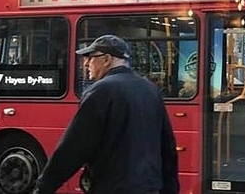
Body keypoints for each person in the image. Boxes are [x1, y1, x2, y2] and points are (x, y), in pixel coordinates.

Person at [34, 35, 179, 194]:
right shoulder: (150, 89)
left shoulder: (100, 91)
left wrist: (43, 187)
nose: (86, 63)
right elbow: (167, 146)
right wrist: (170, 188)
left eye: (91, 57)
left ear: (107, 59)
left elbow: (73, 148)